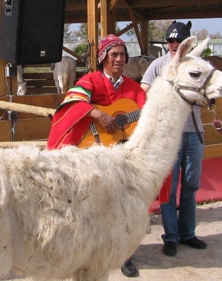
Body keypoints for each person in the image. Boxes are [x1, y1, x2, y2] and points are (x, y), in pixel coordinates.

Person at [47, 34, 146, 278]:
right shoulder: (90, 80)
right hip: (94, 154)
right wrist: (98, 114)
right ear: (102, 57)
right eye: (114, 54)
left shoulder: (133, 87)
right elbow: (73, 101)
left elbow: (146, 115)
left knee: (125, 206)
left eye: (122, 54)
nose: (119, 59)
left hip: (124, 159)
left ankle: (125, 256)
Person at [140, 21, 207, 257]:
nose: (174, 45)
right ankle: (171, 236)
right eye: (170, 40)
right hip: (169, 136)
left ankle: (187, 232)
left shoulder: (196, 65)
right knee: (168, 188)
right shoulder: (159, 65)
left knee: (191, 185)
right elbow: (144, 90)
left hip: (193, 131)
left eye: (178, 41)